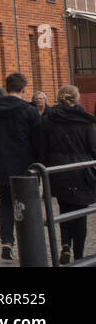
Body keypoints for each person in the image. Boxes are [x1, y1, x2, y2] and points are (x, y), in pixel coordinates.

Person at [0, 72, 43, 261]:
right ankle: (27, 243)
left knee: (5, 203)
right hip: (24, 164)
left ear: (6, 87)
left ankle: (7, 241)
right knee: (27, 204)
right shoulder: (30, 111)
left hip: (0, 162)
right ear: (23, 88)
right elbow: (38, 140)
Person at [40, 85, 96, 264]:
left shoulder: (48, 120)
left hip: (58, 170)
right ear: (77, 98)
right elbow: (94, 148)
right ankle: (78, 255)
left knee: (64, 209)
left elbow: (42, 148)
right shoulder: (85, 121)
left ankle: (65, 245)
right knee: (80, 213)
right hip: (82, 169)